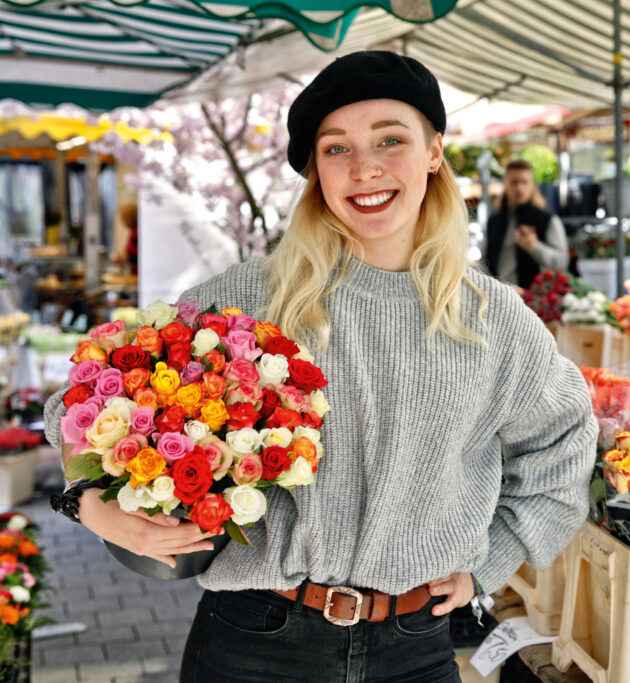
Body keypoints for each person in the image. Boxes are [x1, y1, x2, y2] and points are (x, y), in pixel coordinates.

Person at [43, 51, 597, 682]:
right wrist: (89, 502)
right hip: (255, 643)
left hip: (414, 649)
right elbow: (82, 401)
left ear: (435, 152)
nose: (365, 169)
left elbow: (562, 448)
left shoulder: (495, 319)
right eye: (336, 149)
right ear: (316, 173)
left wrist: (491, 560)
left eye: (391, 139)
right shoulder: (251, 299)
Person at [483, 158, 569, 287]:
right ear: (505, 184)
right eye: (514, 182)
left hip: (535, 300)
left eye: (524, 182)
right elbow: (485, 262)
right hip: (499, 298)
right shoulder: (494, 221)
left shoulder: (548, 220)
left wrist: (535, 247)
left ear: (532, 185)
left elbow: (562, 262)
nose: (519, 187)